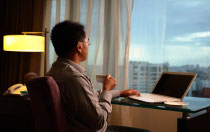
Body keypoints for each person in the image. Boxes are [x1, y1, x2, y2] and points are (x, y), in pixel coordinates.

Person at [47, 20, 141, 132]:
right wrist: (106, 90)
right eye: (88, 41)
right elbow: (99, 121)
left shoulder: (55, 71)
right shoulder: (74, 79)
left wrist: (121, 93)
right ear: (79, 47)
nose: (89, 45)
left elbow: (87, 95)